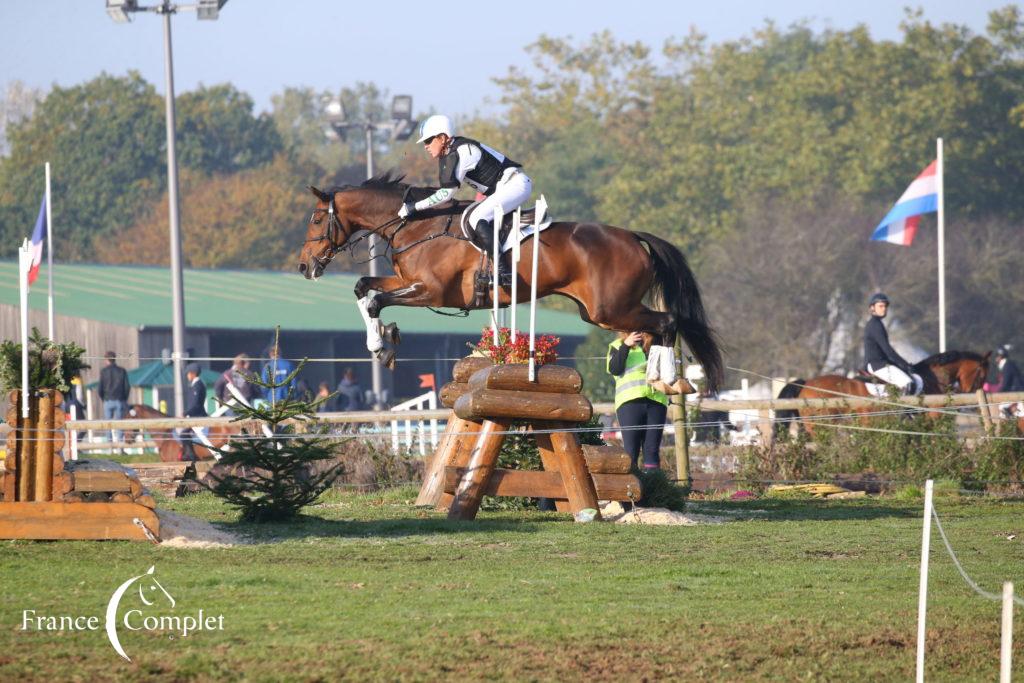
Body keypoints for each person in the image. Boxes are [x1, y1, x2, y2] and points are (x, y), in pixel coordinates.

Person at [398, 114, 532, 287]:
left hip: (515, 185)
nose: (426, 146)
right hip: (505, 187)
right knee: (471, 214)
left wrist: (414, 207)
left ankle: (504, 272)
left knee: (476, 218)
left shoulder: (463, 151)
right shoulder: (448, 154)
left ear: (443, 138)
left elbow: (446, 194)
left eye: (429, 140)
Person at [607, 331, 670, 471]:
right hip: (630, 403)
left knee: (652, 450)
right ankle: (631, 488)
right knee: (631, 450)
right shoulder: (616, 345)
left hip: (656, 401)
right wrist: (626, 345)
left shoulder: (656, 345)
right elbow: (614, 369)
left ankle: (654, 488)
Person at [863, 292, 922, 395]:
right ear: (872, 308)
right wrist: (905, 364)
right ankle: (900, 411)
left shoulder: (877, 324)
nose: (884, 308)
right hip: (878, 365)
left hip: (881, 363)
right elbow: (888, 350)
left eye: (885, 306)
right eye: (880, 306)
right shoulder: (875, 325)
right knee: (907, 383)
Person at [177, 362, 208, 461]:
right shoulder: (196, 385)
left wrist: (185, 413)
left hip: (198, 416)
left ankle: (191, 456)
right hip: (194, 415)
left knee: (183, 435)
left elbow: (196, 405)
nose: (187, 376)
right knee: (184, 434)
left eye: (188, 373)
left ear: (193, 373)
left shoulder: (197, 385)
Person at [98, 350, 131, 443]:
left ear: (106, 359)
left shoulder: (104, 371)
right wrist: (124, 399)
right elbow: (127, 387)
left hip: (108, 400)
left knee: (108, 424)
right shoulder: (122, 371)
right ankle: (120, 445)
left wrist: (103, 398)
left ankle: (110, 445)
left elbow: (100, 387)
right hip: (119, 400)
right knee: (119, 423)